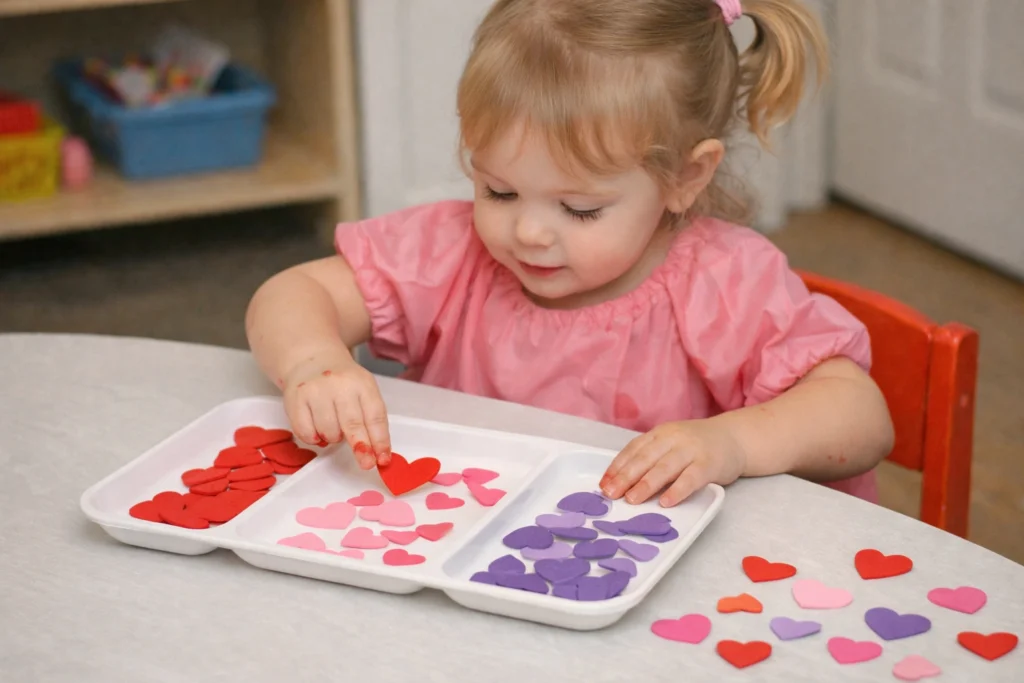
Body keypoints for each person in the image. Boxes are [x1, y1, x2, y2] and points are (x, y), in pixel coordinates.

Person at [245, 0, 894, 508]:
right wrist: (312, 359)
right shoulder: (452, 251)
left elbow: (859, 416)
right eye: (498, 189)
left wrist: (733, 441)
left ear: (685, 178)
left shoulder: (722, 281)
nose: (527, 231)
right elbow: (294, 293)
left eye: (579, 208)